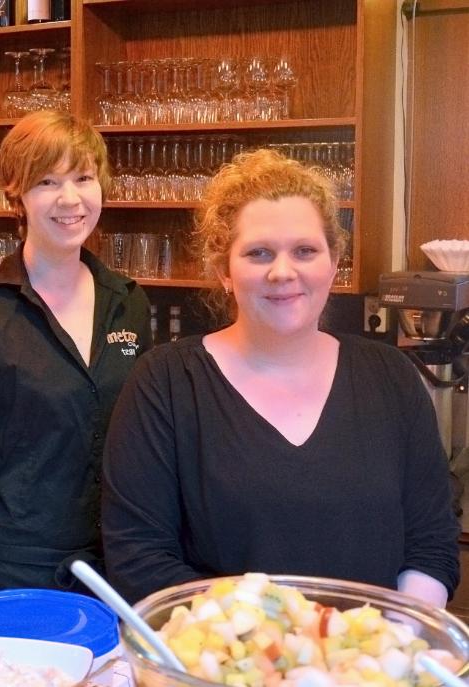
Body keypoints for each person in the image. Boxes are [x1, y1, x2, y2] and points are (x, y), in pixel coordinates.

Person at [102, 149, 460, 605]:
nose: (283, 272)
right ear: (223, 272)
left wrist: (392, 643)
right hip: (224, 666)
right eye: (258, 253)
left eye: (305, 251)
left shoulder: (392, 377)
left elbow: (431, 545)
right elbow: (139, 560)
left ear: (333, 263)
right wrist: (287, 647)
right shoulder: (167, 383)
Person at [0, 111, 153, 597]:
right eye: (47, 181)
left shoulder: (127, 301)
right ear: (16, 194)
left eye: (84, 178)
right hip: (11, 575)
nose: (71, 199)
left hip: (113, 569)